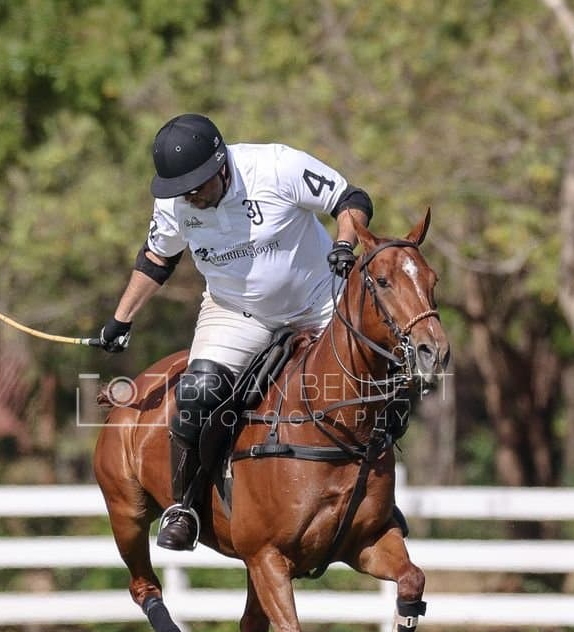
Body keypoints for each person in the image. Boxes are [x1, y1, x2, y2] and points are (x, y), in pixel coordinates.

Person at [96, 113, 373, 551]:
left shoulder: (276, 167)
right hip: (237, 311)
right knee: (197, 392)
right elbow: (157, 259)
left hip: (322, 298)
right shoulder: (176, 203)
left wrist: (343, 244)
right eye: (181, 190)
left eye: (197, 186)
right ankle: (185, 506)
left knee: (383, 374)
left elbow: (351, 198)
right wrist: (121, 319)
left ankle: (378, 498)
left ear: (221, 164)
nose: (190, 196)